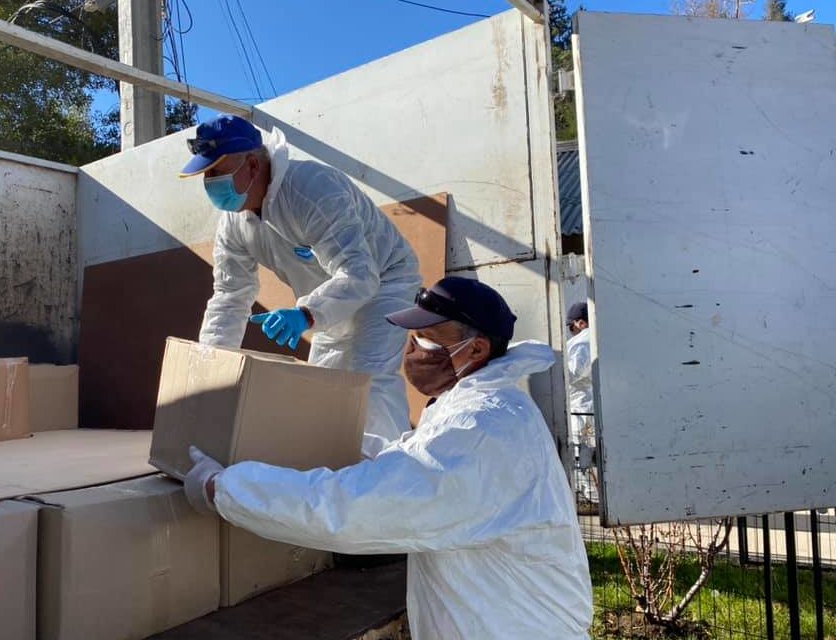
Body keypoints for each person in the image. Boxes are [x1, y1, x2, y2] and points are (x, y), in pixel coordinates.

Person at [184, 277, 594, 640]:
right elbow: (409, 459)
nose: (412, 350)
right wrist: (327, 440)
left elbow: (356, 508)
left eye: (427, 339)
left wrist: (223, 488)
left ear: (478, 348)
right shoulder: (477, 406)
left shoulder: (482, 427)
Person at [180, 114, 421, 459]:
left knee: (370, 383)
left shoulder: (312, 188)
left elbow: (360, 274)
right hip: (324, 301)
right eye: (206, 174)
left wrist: (307, 314)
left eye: (217, 171)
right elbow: (230, 296)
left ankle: (391, 474)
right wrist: (210, 363)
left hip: (385, 282)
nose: (209, 182)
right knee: (323, 393)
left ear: (251, 164)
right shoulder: (233, 225)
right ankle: (337, 475)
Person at [566, 301, 598, 507]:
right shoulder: (596, 338)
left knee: (582, 453)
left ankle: (590, 499)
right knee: (589, 452)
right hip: (589, 405)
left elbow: (574, 373)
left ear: (580, 323)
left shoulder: (583, 342)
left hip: (582, 408)